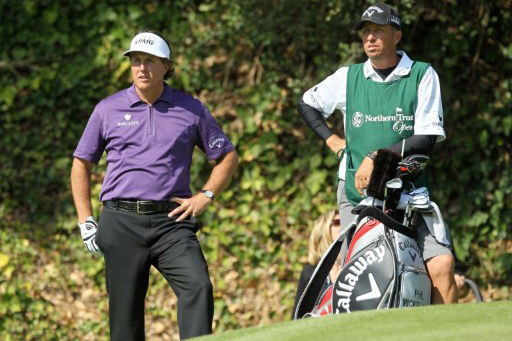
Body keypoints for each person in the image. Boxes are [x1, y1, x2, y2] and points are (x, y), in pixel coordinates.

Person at [71, 30, 238, 340]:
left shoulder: (190, 108)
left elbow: (227, 156)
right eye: (136, 61)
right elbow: (81, 164)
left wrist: (205, 195)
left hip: (171, 223)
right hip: (120, 222)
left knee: (198, 286)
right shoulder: (107, 109)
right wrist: (86, 221)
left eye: (150, 61)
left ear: (166, 66)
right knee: (125, 318)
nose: (141, 68)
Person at [297, 4, 456, 304]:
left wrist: (376, 157)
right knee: (358, 275)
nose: (370, 38)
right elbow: (306, 103)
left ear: (397, 35)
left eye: (378, 31)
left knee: (441, 265)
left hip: (410, 193)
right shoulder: (348, 77)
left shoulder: (421, 74)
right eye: (365, 32)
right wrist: (332, 139)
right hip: (357, 196)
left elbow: (427, 138)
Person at [292, 209, 342, 317]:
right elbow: (298, 316)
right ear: (322, 231)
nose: (344, 225)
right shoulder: (310, 272)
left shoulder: (355, 264)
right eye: (337, 222)